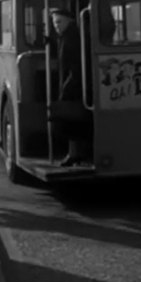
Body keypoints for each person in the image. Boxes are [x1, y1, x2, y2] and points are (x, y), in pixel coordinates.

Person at [49, 9, 92, 167]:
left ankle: (74, 153)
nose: (56, 26)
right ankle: (75, 152)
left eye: (59, 22)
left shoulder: (71, 38)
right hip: (73, 83)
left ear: (69, 21)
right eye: (54, 23)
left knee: (71, 122)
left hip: (74, 86)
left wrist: (67, 87)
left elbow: (74, 65)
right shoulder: (68, 36)